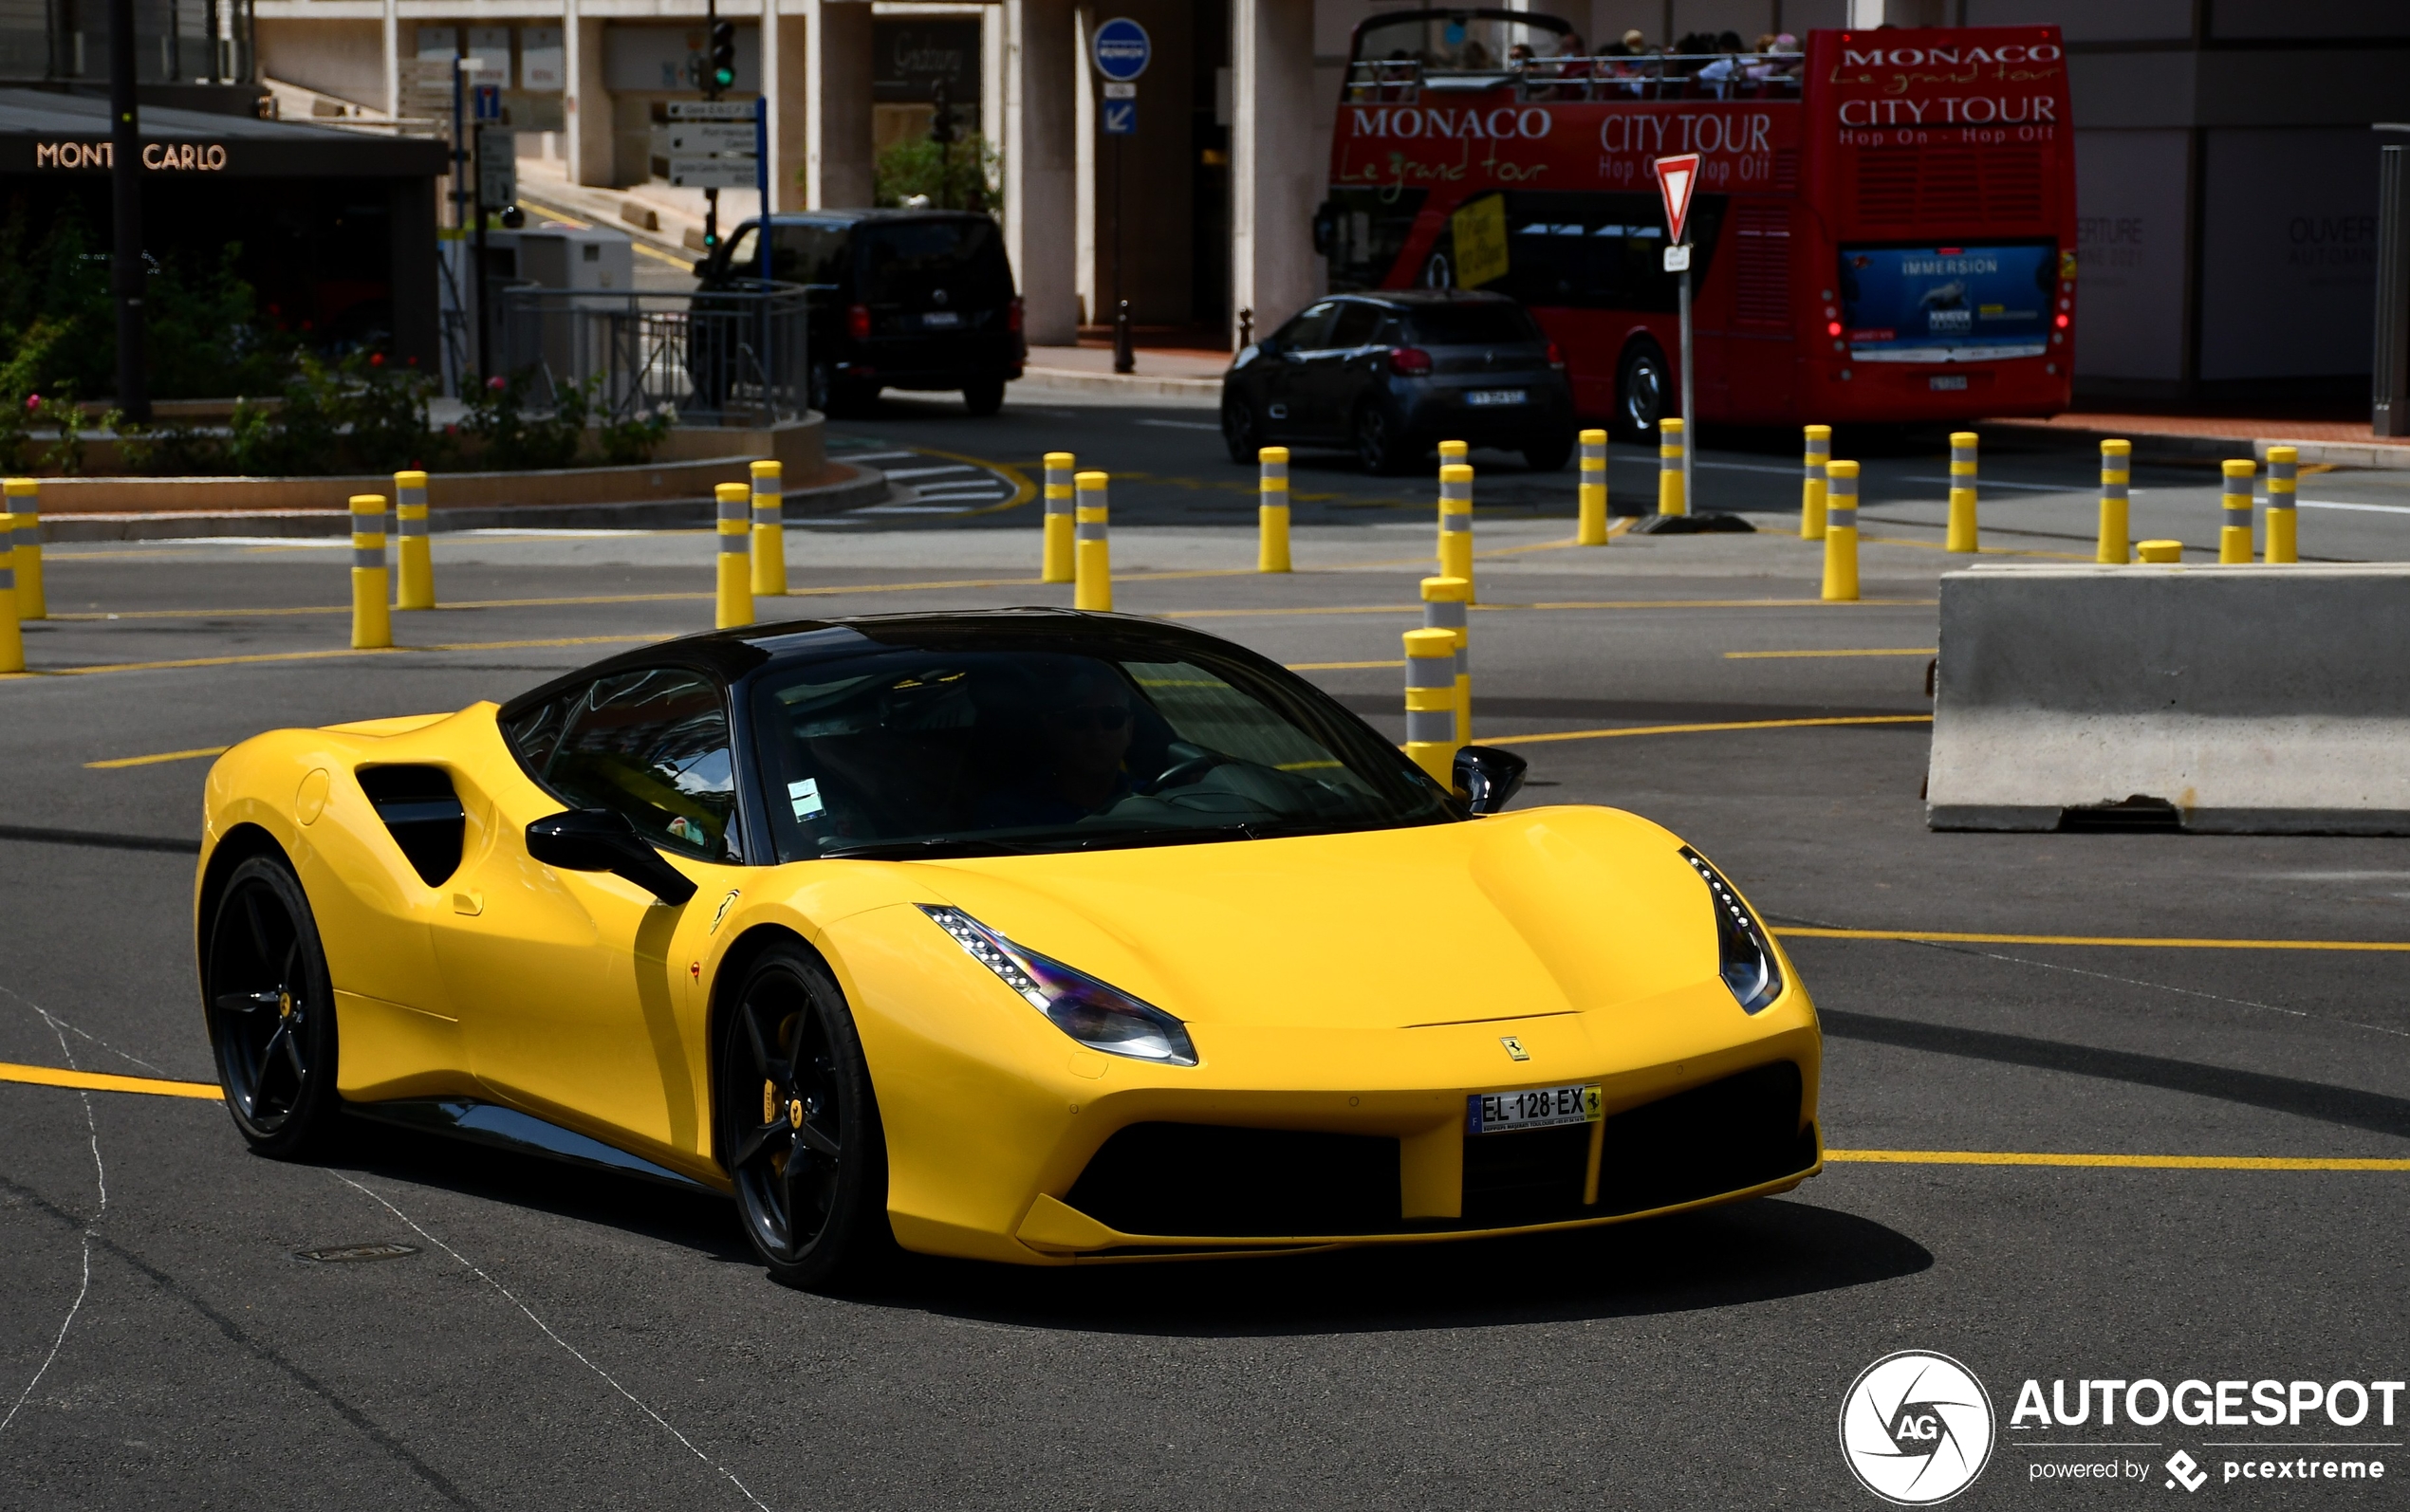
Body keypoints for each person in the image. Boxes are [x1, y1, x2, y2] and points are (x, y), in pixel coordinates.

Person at [973, 661, 1138, 828]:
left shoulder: (1154, 798)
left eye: (1112, 718)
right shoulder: (1009, 813)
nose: (1097, 732)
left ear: (1129, 730)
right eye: (1079, 719)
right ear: (1052, 729)